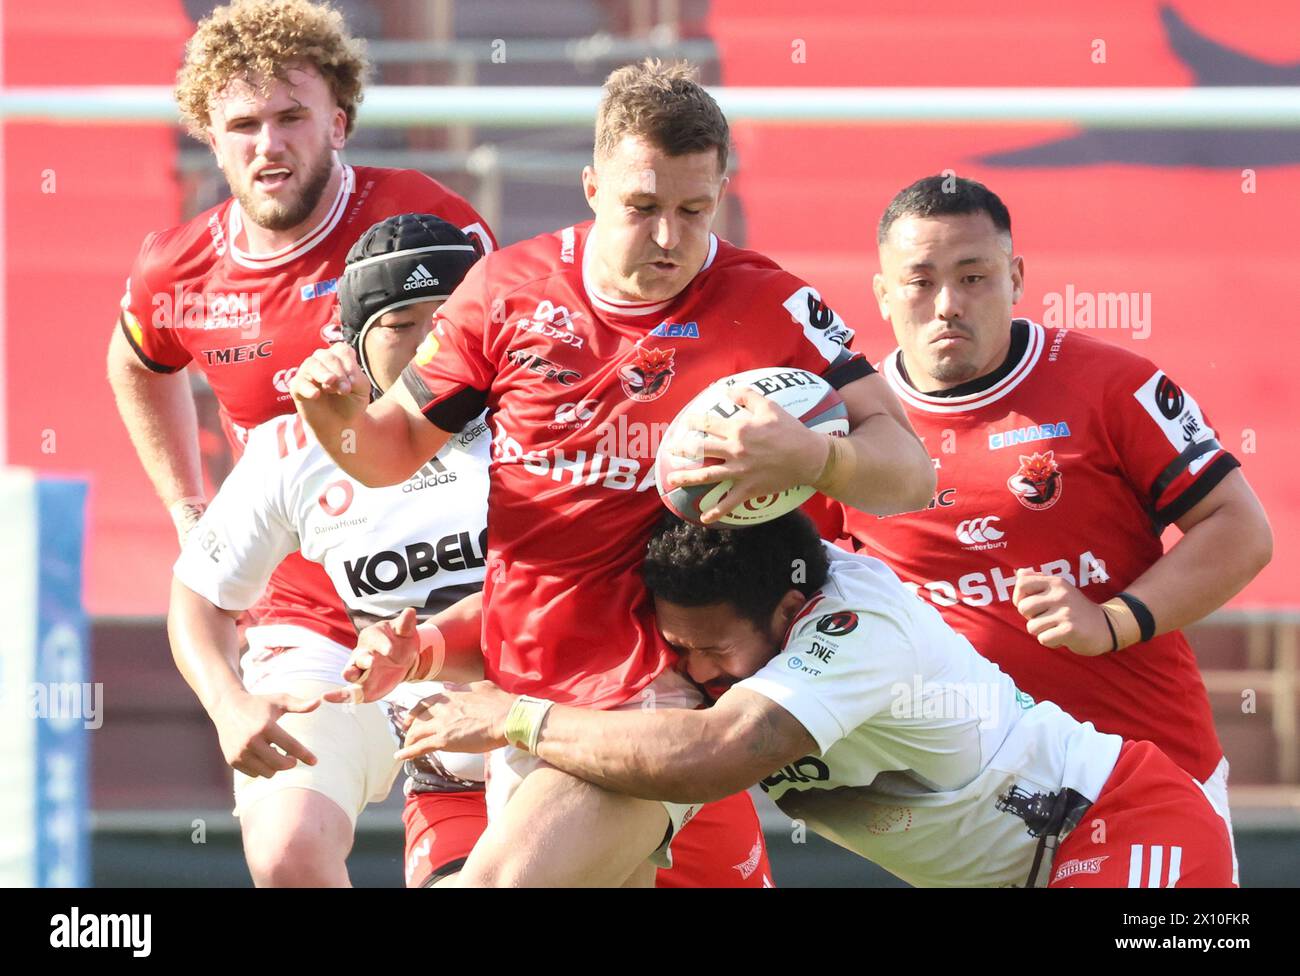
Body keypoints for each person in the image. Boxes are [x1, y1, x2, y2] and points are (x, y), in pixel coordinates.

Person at [291, 59, 936, 886]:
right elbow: (382, 455)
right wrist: (333, 414)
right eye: (643, 208)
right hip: (532, 693)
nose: (670, 237)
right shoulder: (506, 292)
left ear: (722, 192)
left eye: (694, 210)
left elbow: (909, 470)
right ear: (592, 186)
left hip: (662, 694)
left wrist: (817, 455)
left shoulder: (766, 304)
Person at [173, 213, 775, 889]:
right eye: (402, 325)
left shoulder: (562, 420)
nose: (433, 343)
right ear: (352, 341)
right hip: (450, 769)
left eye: (450, 318)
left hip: (612, 738)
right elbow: (198, 594)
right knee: (289, 849)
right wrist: (229, 704)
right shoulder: (300, 447)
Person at [106, 0, 496, 886]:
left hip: (463, 602)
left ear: (340, 121)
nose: (268, 145)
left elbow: (513, 390)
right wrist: (188, 510)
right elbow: (135, 365)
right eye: (242, 124)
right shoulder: (178, 268)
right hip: (308, 620)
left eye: (291, 117)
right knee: (285, 855)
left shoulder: (430, 228)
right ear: (210, 134)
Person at [811, 175, 1272, 881]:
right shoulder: (849, 434)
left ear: (1016, 276)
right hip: (971, 821)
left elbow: (1240, 528)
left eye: (973, 277)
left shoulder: (1110, 384)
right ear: (880, 293)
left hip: (1148, 788)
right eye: (920, 281)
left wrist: (1114, 619)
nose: (948, 305)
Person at [396, 512, 1236, 888]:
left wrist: (511, 717)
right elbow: (540, 613)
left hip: (1123, 821)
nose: (693, 665)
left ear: (793, 616)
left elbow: (717, 753)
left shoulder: (858, 623)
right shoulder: (703, 606)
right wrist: (425, 644)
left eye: (715, 650)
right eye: (677, 643)